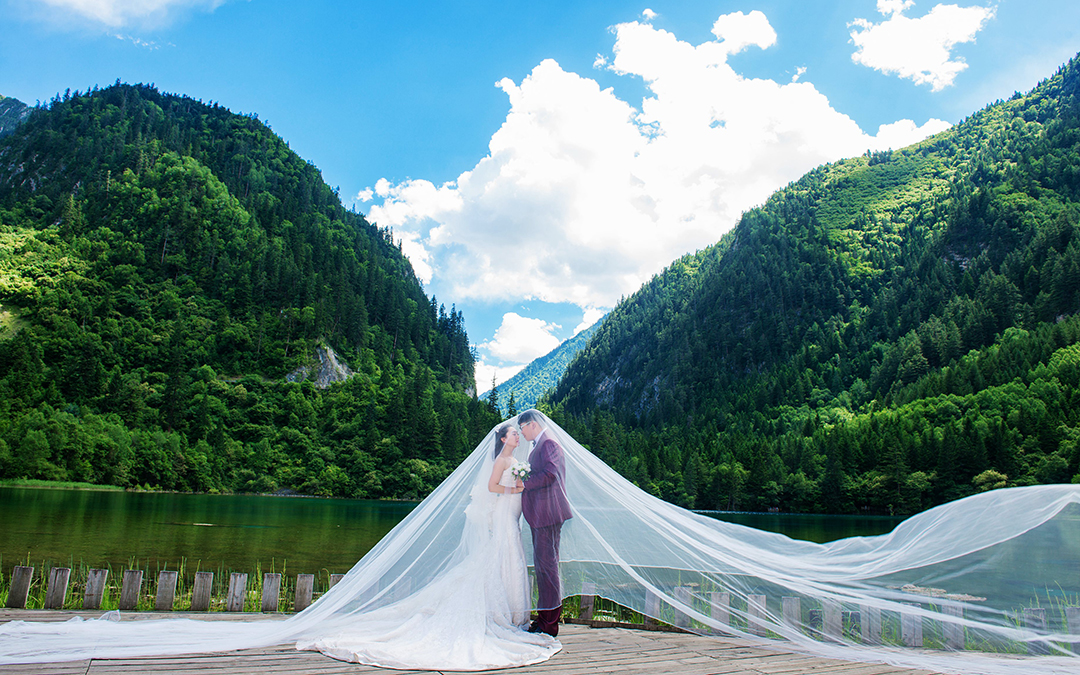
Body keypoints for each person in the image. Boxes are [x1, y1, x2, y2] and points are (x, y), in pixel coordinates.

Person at [518, 409, 572, 637]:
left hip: (547, 514)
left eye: (522, 428)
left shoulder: (548, 443)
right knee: (543, 567)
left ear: (532, 424)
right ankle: (544, 619)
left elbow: (551, 474)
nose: (521, 433)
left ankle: (549, 624)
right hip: (543, 514)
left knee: (547, 568)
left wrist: (524, 483)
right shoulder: (543, 443)